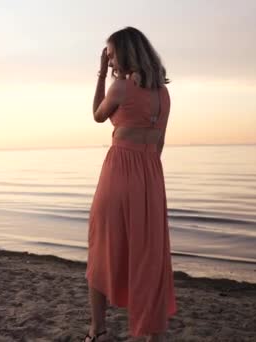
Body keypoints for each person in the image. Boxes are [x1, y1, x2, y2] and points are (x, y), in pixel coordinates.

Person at [83, 26, 177, 342]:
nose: (109, 62)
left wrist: (99, 76)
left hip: (120, 171)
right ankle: (153, 334)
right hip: (151, 175)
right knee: (149, 254)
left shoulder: (120, 88)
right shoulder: (163, 94)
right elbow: (160, 142)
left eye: (110, 55)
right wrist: (147, 172)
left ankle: (98, 331)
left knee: (101, 246)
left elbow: (97, 116)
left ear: (123, 53)